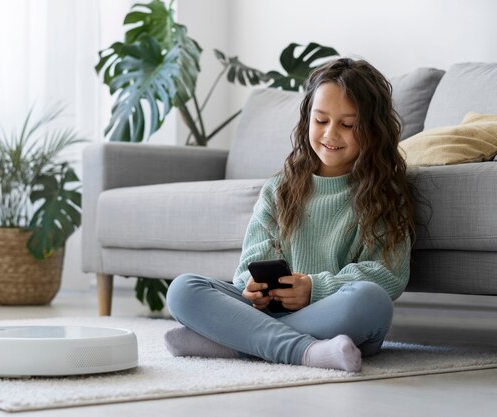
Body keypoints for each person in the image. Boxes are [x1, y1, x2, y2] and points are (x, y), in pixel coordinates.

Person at [164, 58, 416, 372]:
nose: (330, 134)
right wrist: (252, 289)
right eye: (321, 120)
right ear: (307, 119)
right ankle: (309, 352)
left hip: (333, 314)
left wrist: (314, 288)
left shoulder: (385, 193)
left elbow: (387, 275)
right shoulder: (279, 188)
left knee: (372, 301)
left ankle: (235, 343)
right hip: (268, 311)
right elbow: (249, 263)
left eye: (348, 125)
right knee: (183, 289)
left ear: (373, 129)